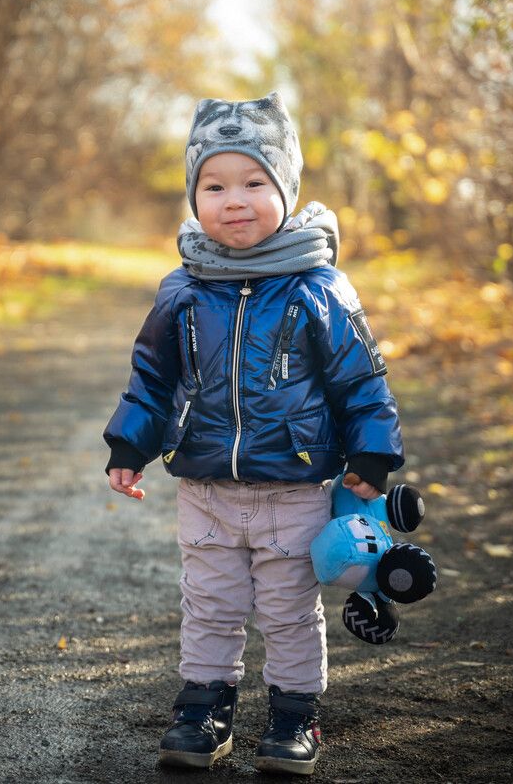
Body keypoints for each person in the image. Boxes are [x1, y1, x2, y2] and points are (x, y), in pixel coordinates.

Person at [104, 92, 403, 777]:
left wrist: (372, 454)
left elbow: (360, 379)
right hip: (205, 485)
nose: (232, 199)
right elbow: (152, 376)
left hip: (292, 486)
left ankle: (296, 713)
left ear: (285, 189)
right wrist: (129, 444)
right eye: (213, 185)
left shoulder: (315, 286)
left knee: (288, 610)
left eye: (253, 182)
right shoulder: (183, 287)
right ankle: (203, 708)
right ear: (194, 194)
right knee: (208, 606)